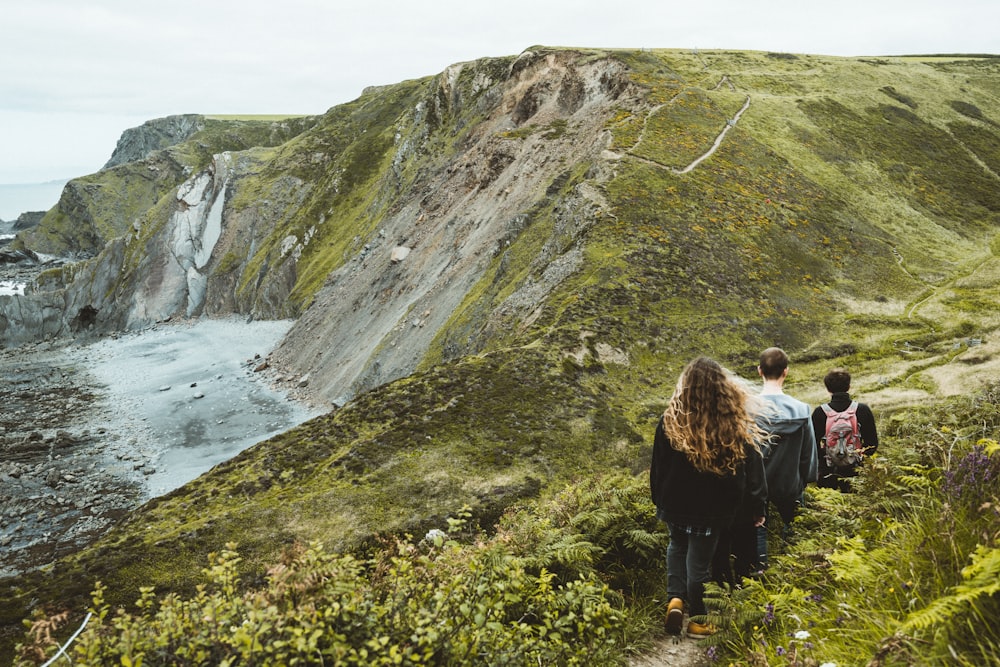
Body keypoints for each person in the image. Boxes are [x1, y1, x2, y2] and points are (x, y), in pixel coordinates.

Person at [650, 357, 767, 638]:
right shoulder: (732, 425)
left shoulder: (669, 421)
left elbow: (657, 468)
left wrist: (660, 501)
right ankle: (698, 620)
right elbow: (740, 476)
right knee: (700, 565)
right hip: (712, 510)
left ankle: (675, 599)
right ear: (722, 389)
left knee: (676, 547)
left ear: (685, 386)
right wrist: (738, 508)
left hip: (675, 505)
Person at [737, 347, 817, 577]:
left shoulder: (746, 409)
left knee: (758, 529)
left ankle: (758, 575)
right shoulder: (802, 410)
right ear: (786, 372)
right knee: (795, 526)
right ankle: (794, 571)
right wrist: (806, 478)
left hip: (754, 485)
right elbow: (807, 452)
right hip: (789, 481)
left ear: (759, 371)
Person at [811, 367, 879, 491]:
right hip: (856, 473)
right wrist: (857, 457)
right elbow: (872, 444)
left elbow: (812, 446)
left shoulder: (820, 412)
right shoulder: (862, 410)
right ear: (849, 387)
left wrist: (828, 456)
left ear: (828, 389)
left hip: (828, 472)